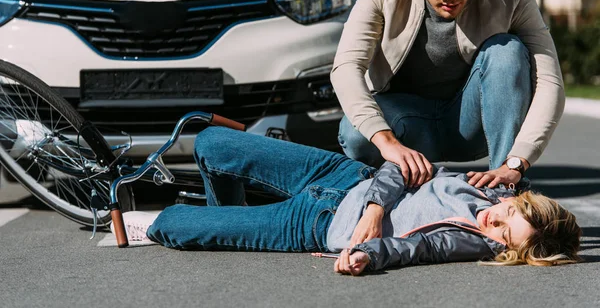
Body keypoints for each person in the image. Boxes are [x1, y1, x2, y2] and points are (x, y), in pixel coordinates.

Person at [113, 128, 581, 276]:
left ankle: (152, 223)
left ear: (506, 252)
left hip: (312, 224)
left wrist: (365, 255)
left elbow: (415, 249)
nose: (493, 223)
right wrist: (376, 210)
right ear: (520, 200)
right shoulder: (486, 186)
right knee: (213, 143)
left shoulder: (472, 242)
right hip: (339, 175)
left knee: (178, 226)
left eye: (503, 236)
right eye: (509, 216)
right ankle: (225, 217)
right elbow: (401, 166)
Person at [330, 0, 565, 190]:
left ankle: (503, 193)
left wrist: (516, 163)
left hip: (470, 126)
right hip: (408, 125)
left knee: (507, 51)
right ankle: (382, 192)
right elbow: (346, 67)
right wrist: (387, 142)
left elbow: (550, 81)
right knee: (355, 132)